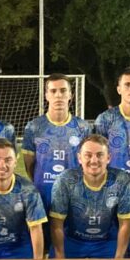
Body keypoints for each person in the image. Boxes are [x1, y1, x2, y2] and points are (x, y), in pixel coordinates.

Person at [49, 134, 130, 259]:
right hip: (72, 240)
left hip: (107, 241)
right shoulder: (65, 180)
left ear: (108, 158)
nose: (94, 160)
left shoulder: (122, 180)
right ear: (79, 158)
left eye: (100, 155)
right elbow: (57, 224)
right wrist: (59, 257)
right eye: (88, 155)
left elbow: (125, 224)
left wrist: (119, 259)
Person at [22, 74, 92, 212]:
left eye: (63, 90)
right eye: (53, 91)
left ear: (70, 95)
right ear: (46, 95)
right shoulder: (34, 127)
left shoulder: (83, 127)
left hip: (75, 197)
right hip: (43, 197)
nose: (58, 95)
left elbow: (88, 164)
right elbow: (29, 166)